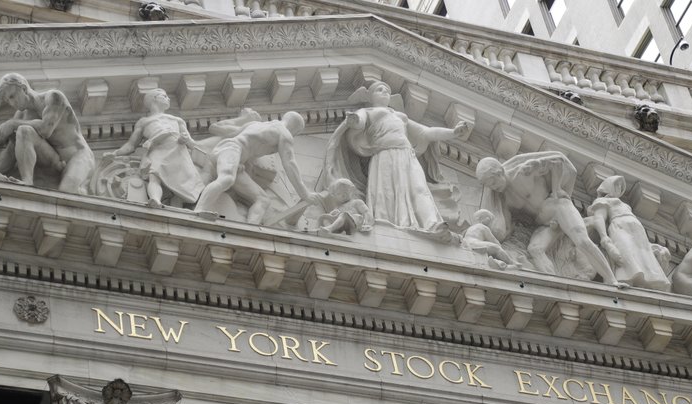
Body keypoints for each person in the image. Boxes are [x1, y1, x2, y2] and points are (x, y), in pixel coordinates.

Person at [321, 81, 469, 232]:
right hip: (385, 155)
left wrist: (453, 133)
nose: (384, 91)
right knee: (386, 193)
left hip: (407, 155)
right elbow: (359, 122)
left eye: (387, 90)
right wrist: (354, 120)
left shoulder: (400, 116)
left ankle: (431, 224)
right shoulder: (369, 111)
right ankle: (385, 224)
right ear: (371, 96)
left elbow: (425, 132)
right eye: (379, 89)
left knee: (420, 188)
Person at [476, 153, 625, 287]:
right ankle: (555, 286)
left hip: (558, 208)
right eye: (490, 186)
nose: (494, 188)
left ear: (500, 172)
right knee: (535, 249)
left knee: (583, 241)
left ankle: (612, 280)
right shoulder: (503, 198)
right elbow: (505, 229)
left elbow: (557, 161)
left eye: (494, 183)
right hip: (545, 223)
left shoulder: (523, 171)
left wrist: (556, 189)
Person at [194, 109, 315, 223]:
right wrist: (305, 194)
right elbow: (290, 163)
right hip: (231, 150)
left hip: (230, 155)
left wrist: (241, 161)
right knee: (227, 179)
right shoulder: (284, 134)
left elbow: (227, 131)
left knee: (262, 199)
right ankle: (199, 210)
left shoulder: (256, 125)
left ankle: (249, 229)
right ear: (295, 130)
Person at [0, 73, 95, 194]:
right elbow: (11, 151)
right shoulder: (21, 116)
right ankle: (27, 181)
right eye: (8, 100)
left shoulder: (54, 97)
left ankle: (82, 188)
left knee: (67, 191)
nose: (11, 103)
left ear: (24, 89)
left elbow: (46, 129)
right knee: (24, 131)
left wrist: (12, 124)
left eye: (12, 96)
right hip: (54, 161)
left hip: (77, 155)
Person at [105, 89, 203, 208]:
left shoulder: (177, 120)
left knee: (184, 181)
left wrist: (186, 139)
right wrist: (115, 154)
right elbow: (131, 146)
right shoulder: (144, 122)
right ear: (154, 98)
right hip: (158, 150)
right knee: (154, 175)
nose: (168, 98)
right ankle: (155, 200)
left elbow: (192, 144)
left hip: (177, 151)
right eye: (164, 96)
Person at [587, 176, 670, 290]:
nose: (619, 188)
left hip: (637, 232)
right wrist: (604, 237)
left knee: (642, 255)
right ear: (608, 186)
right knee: (626, 251)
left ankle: (645, 282)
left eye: (621, 186)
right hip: (620, 227)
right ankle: (627, 279)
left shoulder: (625, 205)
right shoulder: (603, 200)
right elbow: (599, 218)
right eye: (617, 185)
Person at [462, 209, 529, 270]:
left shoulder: (471, 228)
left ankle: (498, 263)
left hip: (467, 244)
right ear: (483, 218)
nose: (490, 221)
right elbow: (495, 241)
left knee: (491, 250)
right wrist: (502, 250)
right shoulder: (483, 227)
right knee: (496, 248)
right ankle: (512, 262)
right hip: (474, 243)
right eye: (489, 218)